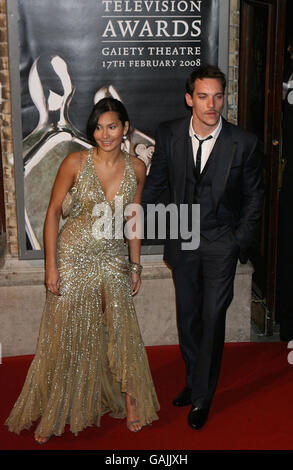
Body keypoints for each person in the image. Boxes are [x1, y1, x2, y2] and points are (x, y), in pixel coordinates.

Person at [5, 97, 159, 443]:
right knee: (69, 333)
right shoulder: (75, 161)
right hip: (73, 254)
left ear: (125, 128)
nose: (105, 134)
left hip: (111, 254)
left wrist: (136, 266)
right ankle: (58, 406)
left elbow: (133, 219)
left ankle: (132, 401)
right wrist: (51, 266)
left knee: (122, 328)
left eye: (112, 126)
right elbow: (52, 212)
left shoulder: (137, 168)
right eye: (99, 127)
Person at [142, 64, 264, 430]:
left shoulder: (244, 142)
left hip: (221, 243)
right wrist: (136, 225)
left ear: (224, 97)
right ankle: (194, 379)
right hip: (182, 239)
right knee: (188, 317)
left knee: (213, 317)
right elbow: (154, 187)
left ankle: (202, 397)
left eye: (218, 96)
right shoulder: (169, 135)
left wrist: (238, 241)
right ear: (189, 98)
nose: (212, 105)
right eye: (203, 96)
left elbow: (255, 198)